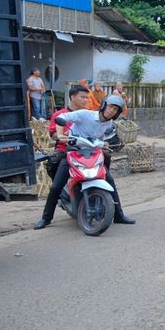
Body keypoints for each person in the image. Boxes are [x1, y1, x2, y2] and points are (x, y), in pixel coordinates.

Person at [34, 95, 136, 229]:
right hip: (73, 152)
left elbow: (110, 139)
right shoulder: (85, 114)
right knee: (56, 186)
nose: (112, 111)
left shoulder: (109, 125)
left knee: (110, 181)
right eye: (111, 106)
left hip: (93, 155)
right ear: (104, 105)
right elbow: (62, 118)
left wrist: (106, 143)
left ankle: (118, 215)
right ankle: (46, 219)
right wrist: (60, 135)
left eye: (116, 110)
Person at [47, 84, 91, 178]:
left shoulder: (89, 114)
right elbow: (53, 134)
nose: (85, 100)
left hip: (86, 149)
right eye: (83, 97)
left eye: (87, 98)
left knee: (105, 157)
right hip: (64, 149)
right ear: (73, 97)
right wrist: (62, 135)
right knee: (54, 162)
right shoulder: (59, 114)